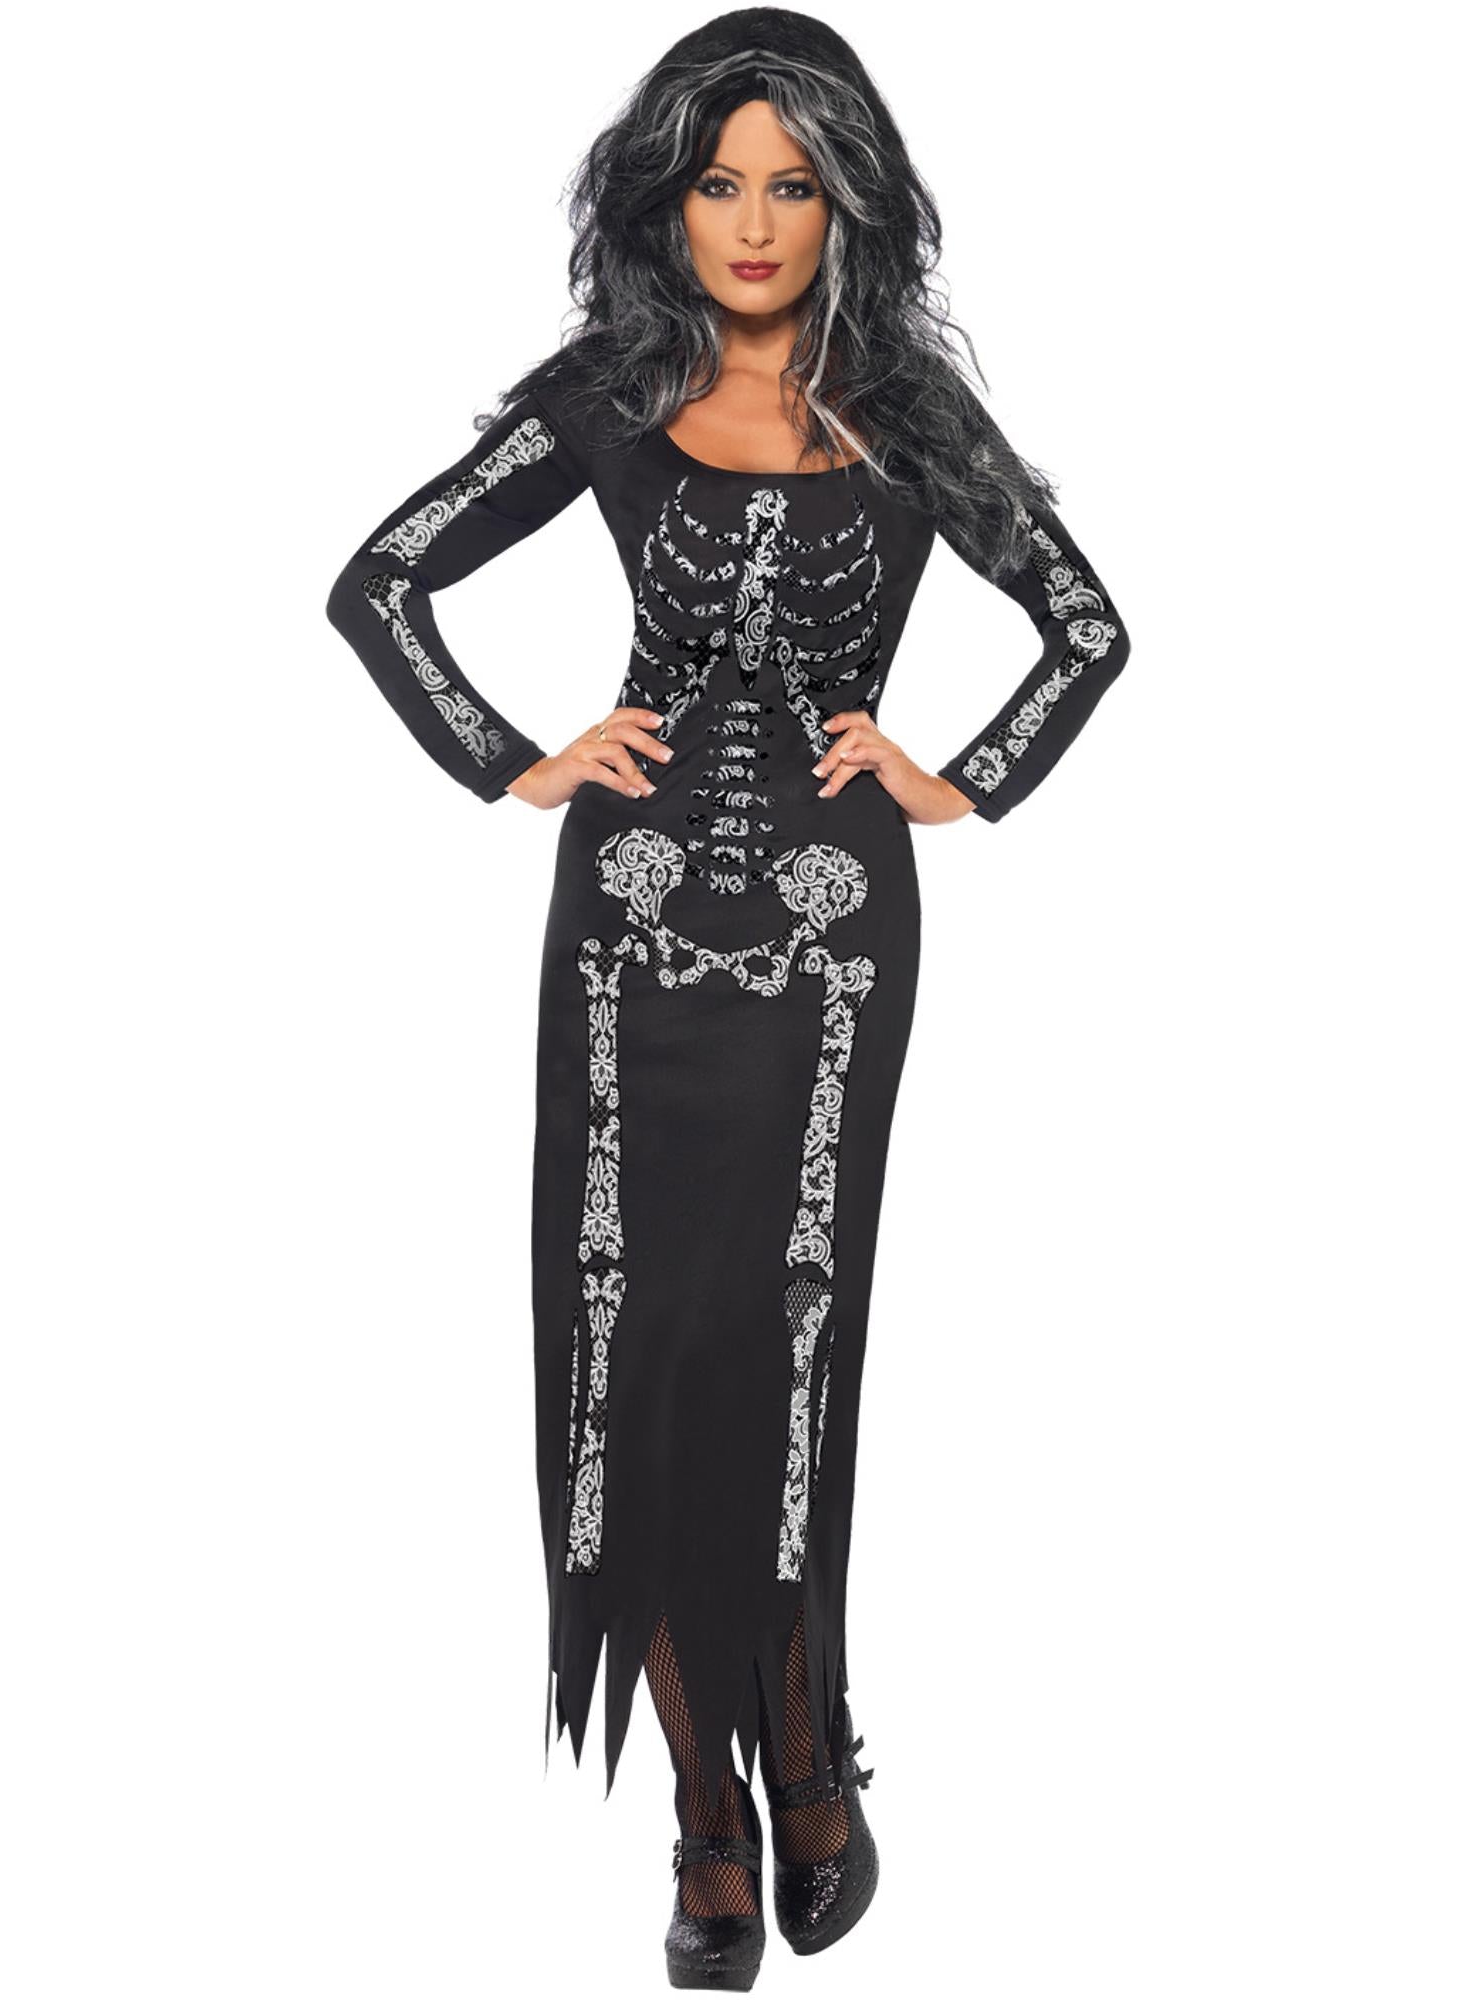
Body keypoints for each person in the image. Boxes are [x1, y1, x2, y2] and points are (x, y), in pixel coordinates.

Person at [324, 8, 1130, 1988]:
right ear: (665, 200)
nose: (754, 223)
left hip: (836, 944)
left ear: (845, 203)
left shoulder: (909, 419)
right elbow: (380, 583)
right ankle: (704, 1804)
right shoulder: (613, 398)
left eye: (791, 185)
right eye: (718, 182)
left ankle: (805, 1734)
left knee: (787, 1339)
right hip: (629, 924)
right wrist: (517, 758)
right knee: (637, 1349)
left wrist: (960, 776)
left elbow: (1087, 627)